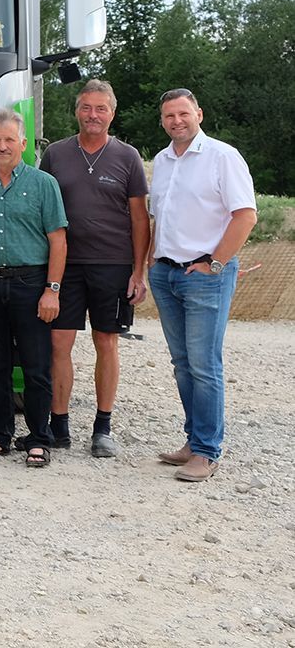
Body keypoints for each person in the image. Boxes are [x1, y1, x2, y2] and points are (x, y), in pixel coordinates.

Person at [147, 88, 257, 483]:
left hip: (205, 277)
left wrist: (215, 263)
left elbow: (245, 215)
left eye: (183, 113)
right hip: (166, 274)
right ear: (162, 121)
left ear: (199, 114)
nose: (176, 121)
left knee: (204, 365)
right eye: (169, 116)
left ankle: (208, 452)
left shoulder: (222, 157)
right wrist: (152, 260)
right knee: (182, 364)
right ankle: (193, 442)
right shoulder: (162, 161)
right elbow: (161, 216)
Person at [38, 80, 149, 458]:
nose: (93, 115)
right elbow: (42, 208)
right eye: (86, 107)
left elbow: (140, 219)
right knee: (59, 343)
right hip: (64, 266)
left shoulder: (128, 157)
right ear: (76, 111)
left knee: (106, 342)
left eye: (101, 108)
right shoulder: (55, 154)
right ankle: (59, 425)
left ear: (112, 113)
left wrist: (138, 271)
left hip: (113, 265)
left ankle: (103, 427)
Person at [0, 108, 67, 468]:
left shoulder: (43, 184)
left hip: (31, 285)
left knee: (36, 367)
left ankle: (39, 438)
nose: (2, 146)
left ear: (23, 143)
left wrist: (52, 290)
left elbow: (58, 240)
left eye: (9, 139)